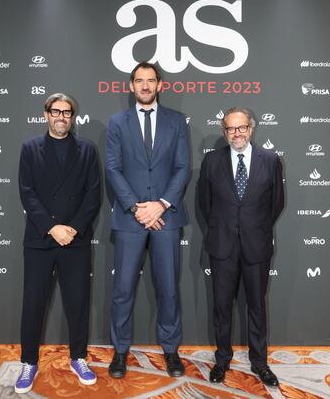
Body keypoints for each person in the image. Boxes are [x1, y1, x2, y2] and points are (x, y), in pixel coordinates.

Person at [105, 62, 190, 378]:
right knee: (123, 289)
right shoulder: (117, 122)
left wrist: (161, 205)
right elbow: (112, 168)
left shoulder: (177, 121)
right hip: (130, 218)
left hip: (167, 218)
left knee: (168, 288)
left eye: (150, 80)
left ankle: (171, 351)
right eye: (138, 80)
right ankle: (120, 351)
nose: (144, 85)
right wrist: (137, 208)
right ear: (130, 86)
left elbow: (182, 168)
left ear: (160, 85)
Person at [15, 93, 100, 394]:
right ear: (46, 114)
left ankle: (78, 357)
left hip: (75, 241)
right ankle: (28, 362)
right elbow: (27, 192)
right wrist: (52, 227)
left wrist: (72, 229)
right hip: (40, 239)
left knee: (77, 304)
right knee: (33, 304)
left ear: (72, 117)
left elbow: (93, 196)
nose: (61, 116)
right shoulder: (30, 148)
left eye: (67, 112)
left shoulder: (87, 150)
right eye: (56, 111)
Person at [199, 107, 284, 387]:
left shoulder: (270, 160)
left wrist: (254, 227)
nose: (236, 133)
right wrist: (227, 227)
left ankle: (259, 362)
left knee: (257, 307)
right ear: (224, 132)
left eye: (241, 127)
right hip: (222, 245)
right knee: (222, 308)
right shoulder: (211, 162)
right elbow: (205, 203)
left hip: (256, 245)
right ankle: (222, 359)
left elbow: (276, 204)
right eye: (230, 129)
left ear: (251, 128)